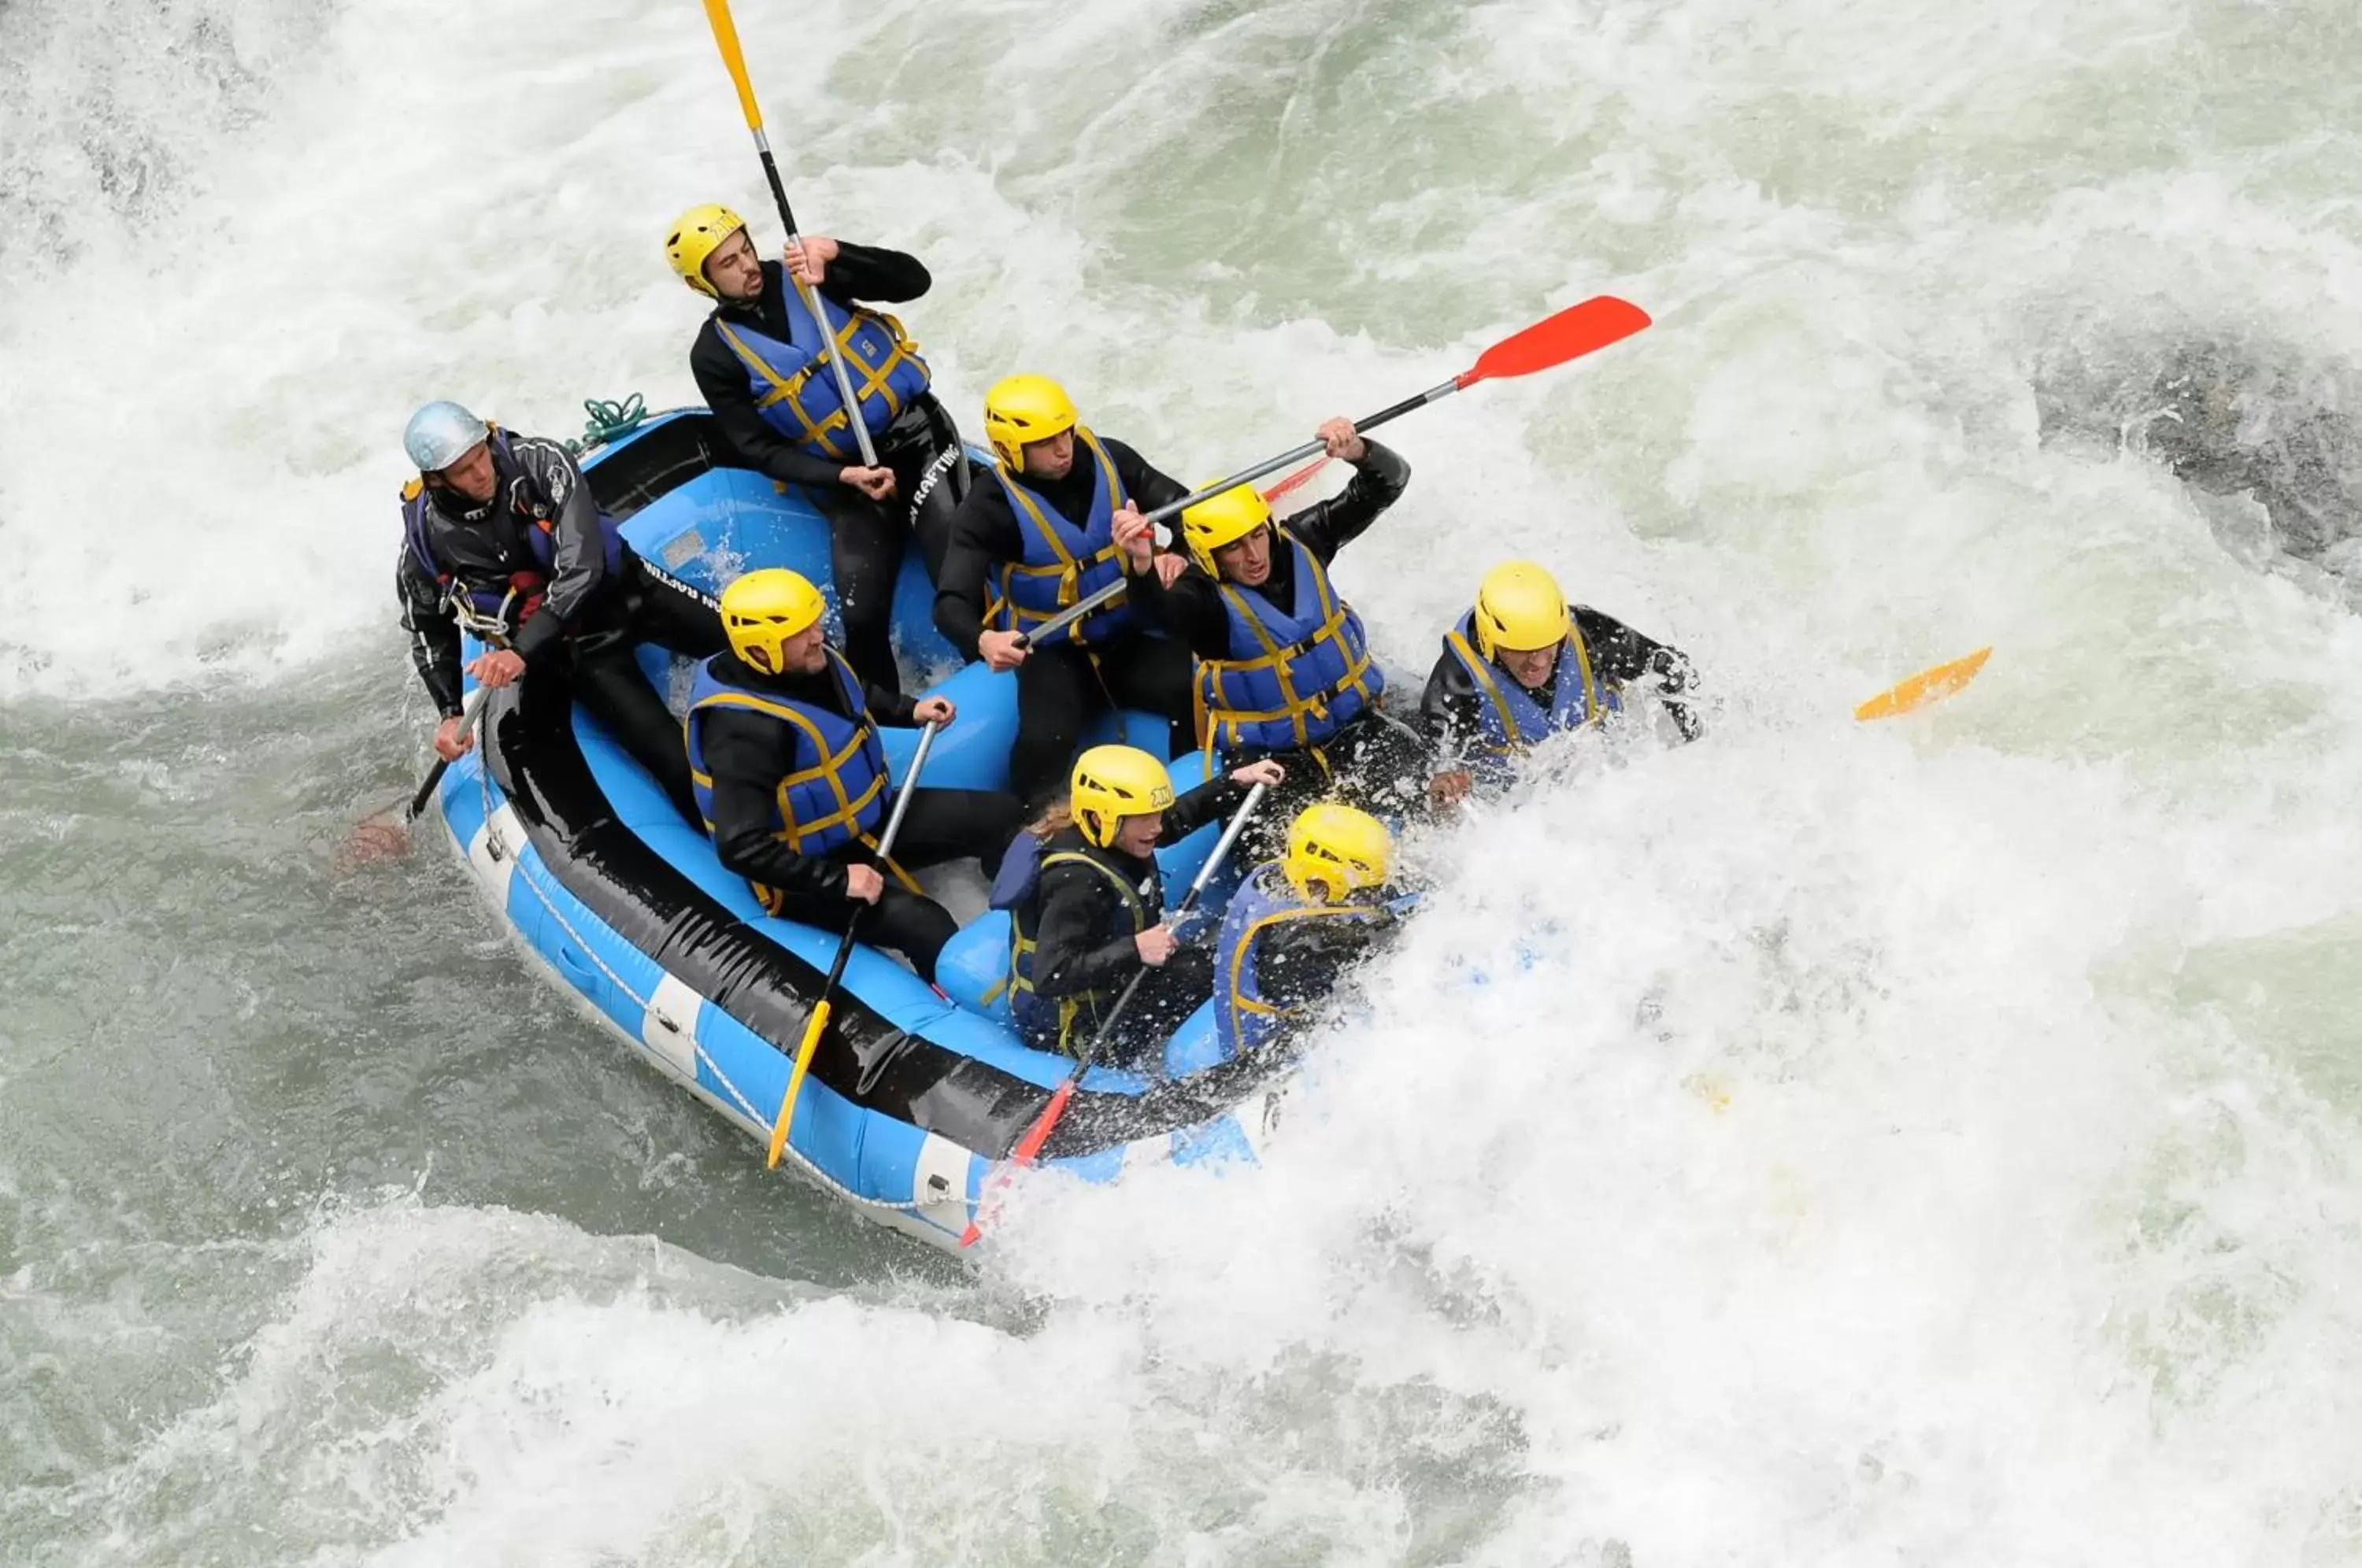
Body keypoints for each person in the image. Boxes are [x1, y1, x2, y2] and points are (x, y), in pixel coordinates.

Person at [669, 203, 968, 700]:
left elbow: (915, 281)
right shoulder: (714, 355)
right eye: (728, 264)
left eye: (745, 250)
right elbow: (759, 449)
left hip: (917, 436)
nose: (746, 266)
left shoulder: (808, 273)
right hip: (844, 477)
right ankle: (885, 723)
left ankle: (995, 662)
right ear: (702, 284)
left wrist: (838, 254)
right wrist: (843, 478)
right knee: (861, 614)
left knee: (955, 568)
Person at [683, 568, 1024, 985]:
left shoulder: (805, 663)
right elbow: (739, 847)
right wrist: (840, 880)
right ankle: (956, 998)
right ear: (761, 650)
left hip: (868, 821)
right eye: (800, 632)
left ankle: (1019, 922)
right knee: (925, 923)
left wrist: (908, 710)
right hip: (807, 873)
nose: (816, 636)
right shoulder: (742, 735)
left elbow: (849, 694)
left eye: (813, 623)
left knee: (1005, 817)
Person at [394, 400, 726, 820]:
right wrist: (449, 712)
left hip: (632, 594)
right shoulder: (425, 543)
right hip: (579, 651)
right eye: (465, 470)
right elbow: (427, 629)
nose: (483, 472)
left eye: (482, 454)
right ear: (437, 480)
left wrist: (520, 651)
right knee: (673, 762)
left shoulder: (540, 463)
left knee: (763, 646)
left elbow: (583, 565)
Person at [1129, 417, 1420, 822]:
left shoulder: (1304, 539)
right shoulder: (1201, 597)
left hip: (1354, 727)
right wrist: (1142, 568)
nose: (1253, 555)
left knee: (1429, 786)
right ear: (1208, 556)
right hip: (1273, 759)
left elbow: (1390, 481)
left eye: (1257, 535)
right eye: (1233, 547)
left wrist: (1356, 451)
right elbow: (1155, 618)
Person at [934, 374, 1200, 810]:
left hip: (1129, 631)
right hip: (1053, 650)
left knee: (1191, 691)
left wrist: (1181, 555)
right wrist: (983, 640)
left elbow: (1185, 511)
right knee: (1047, 738)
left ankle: (1189, 803)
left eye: (1066, 433)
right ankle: (1021, 820)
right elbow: (950, 603)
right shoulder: (988, 508)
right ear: (1009, 450)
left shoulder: (1111, 458)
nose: (1063, 449)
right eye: (1045, 442)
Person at [999, 745, 1283, 1063]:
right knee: (1204, 974)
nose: (1157, 826)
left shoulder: (1108, 829)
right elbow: (1051, 975)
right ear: (1101, 815)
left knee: (1207, 965)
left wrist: (1234, 782)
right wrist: (1137, 948)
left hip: (1107, 980)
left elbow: (1176, 819)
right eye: (1145, 817)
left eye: (1156, 813)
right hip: (1076, 1026)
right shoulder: (1076, 882)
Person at [1420, 560, 1698, 808]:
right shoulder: (1456, 680)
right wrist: (1445, 791)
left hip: (1613, 778)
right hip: (1520, 807)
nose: (1539, 663)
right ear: (1490, 642)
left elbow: (1671, 669)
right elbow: (1436, 771)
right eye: (1521, 650)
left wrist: (1696, 747)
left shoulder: (1589, 634)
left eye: (1547, 647)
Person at [1212, 802, 1404, 1063]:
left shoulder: (1282, 877)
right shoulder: (1295, 947)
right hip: (1267, 1059)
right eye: (1368, 890)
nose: (1374, 897)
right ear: (1322, 884)